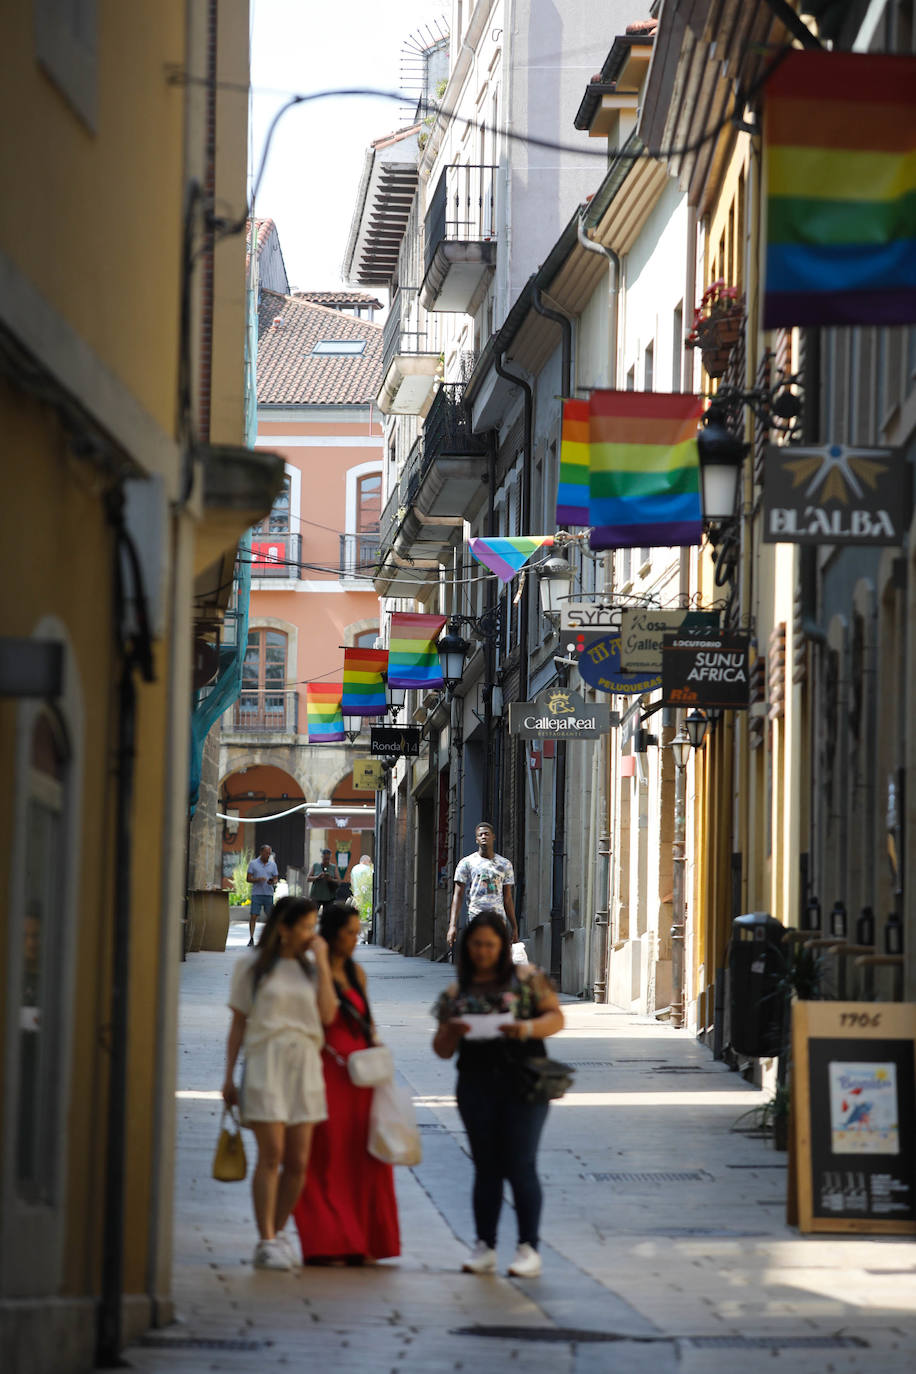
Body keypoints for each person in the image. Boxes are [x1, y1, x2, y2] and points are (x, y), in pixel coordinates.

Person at [432, 912, 564, 1278]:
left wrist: (525, 1028)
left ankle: (528, 1248)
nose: (483, 951)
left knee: (520, 1164)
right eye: (476, 944)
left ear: (503, 946)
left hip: (524, 1083)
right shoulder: (457, 992)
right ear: (467, 947)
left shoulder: (528, 979)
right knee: (486, 1166)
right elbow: (441, 1049)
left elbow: (555, 1018)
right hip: (475, 1085)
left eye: (490, 944)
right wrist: (452, 1031)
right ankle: (484, 1246)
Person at [223, 896, 337, 1271]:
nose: (310, 934)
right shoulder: (252, 966)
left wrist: (322, 962)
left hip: (304, 1063)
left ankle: (278, 1230)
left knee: (299, 1161)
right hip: (265, 1061)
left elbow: (327, 1015)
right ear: (284, 929)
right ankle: (266, 1238)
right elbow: (238, 1023)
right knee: (271, 1154)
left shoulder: (312, 969)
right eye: (305, 926)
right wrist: (228, 1076)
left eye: (313, 926)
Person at [293, 902, 400, 1265]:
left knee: (361, 1159)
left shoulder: (357, 973)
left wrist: (378, 1060)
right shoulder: (310, 973)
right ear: (332, 934)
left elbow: (368, 1023)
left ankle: (361, 1241)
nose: (356, 939)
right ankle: (326, 1241)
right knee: (327, 1157)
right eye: (349, 933)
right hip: (327, 1072)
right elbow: (325, 1015)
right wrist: (323, 962)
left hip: (361, 1077)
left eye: (358, 933)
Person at [447, 821, 518, 949]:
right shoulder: (466, 863)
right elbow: (458, 895)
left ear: (493, 837)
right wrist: (452, 925)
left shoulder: (505, 864)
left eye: (486, 834)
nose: (484, 837)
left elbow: (507, 898)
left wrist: (514, 926)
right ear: (476, 840)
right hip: (476, 918)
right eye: (480, 835)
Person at [246, 843, 278, 946]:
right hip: (257, 894)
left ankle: (270, 938)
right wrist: (257, 879)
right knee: (253, 916)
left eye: (269, 853)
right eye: (266, 853)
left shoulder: (273, 865)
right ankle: (251, 938)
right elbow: (248, 878)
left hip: (268, 893)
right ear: (261, 852)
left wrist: (272, 881)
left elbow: (276, 878)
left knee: (270, 917)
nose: (268, 855)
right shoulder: (253, 864)